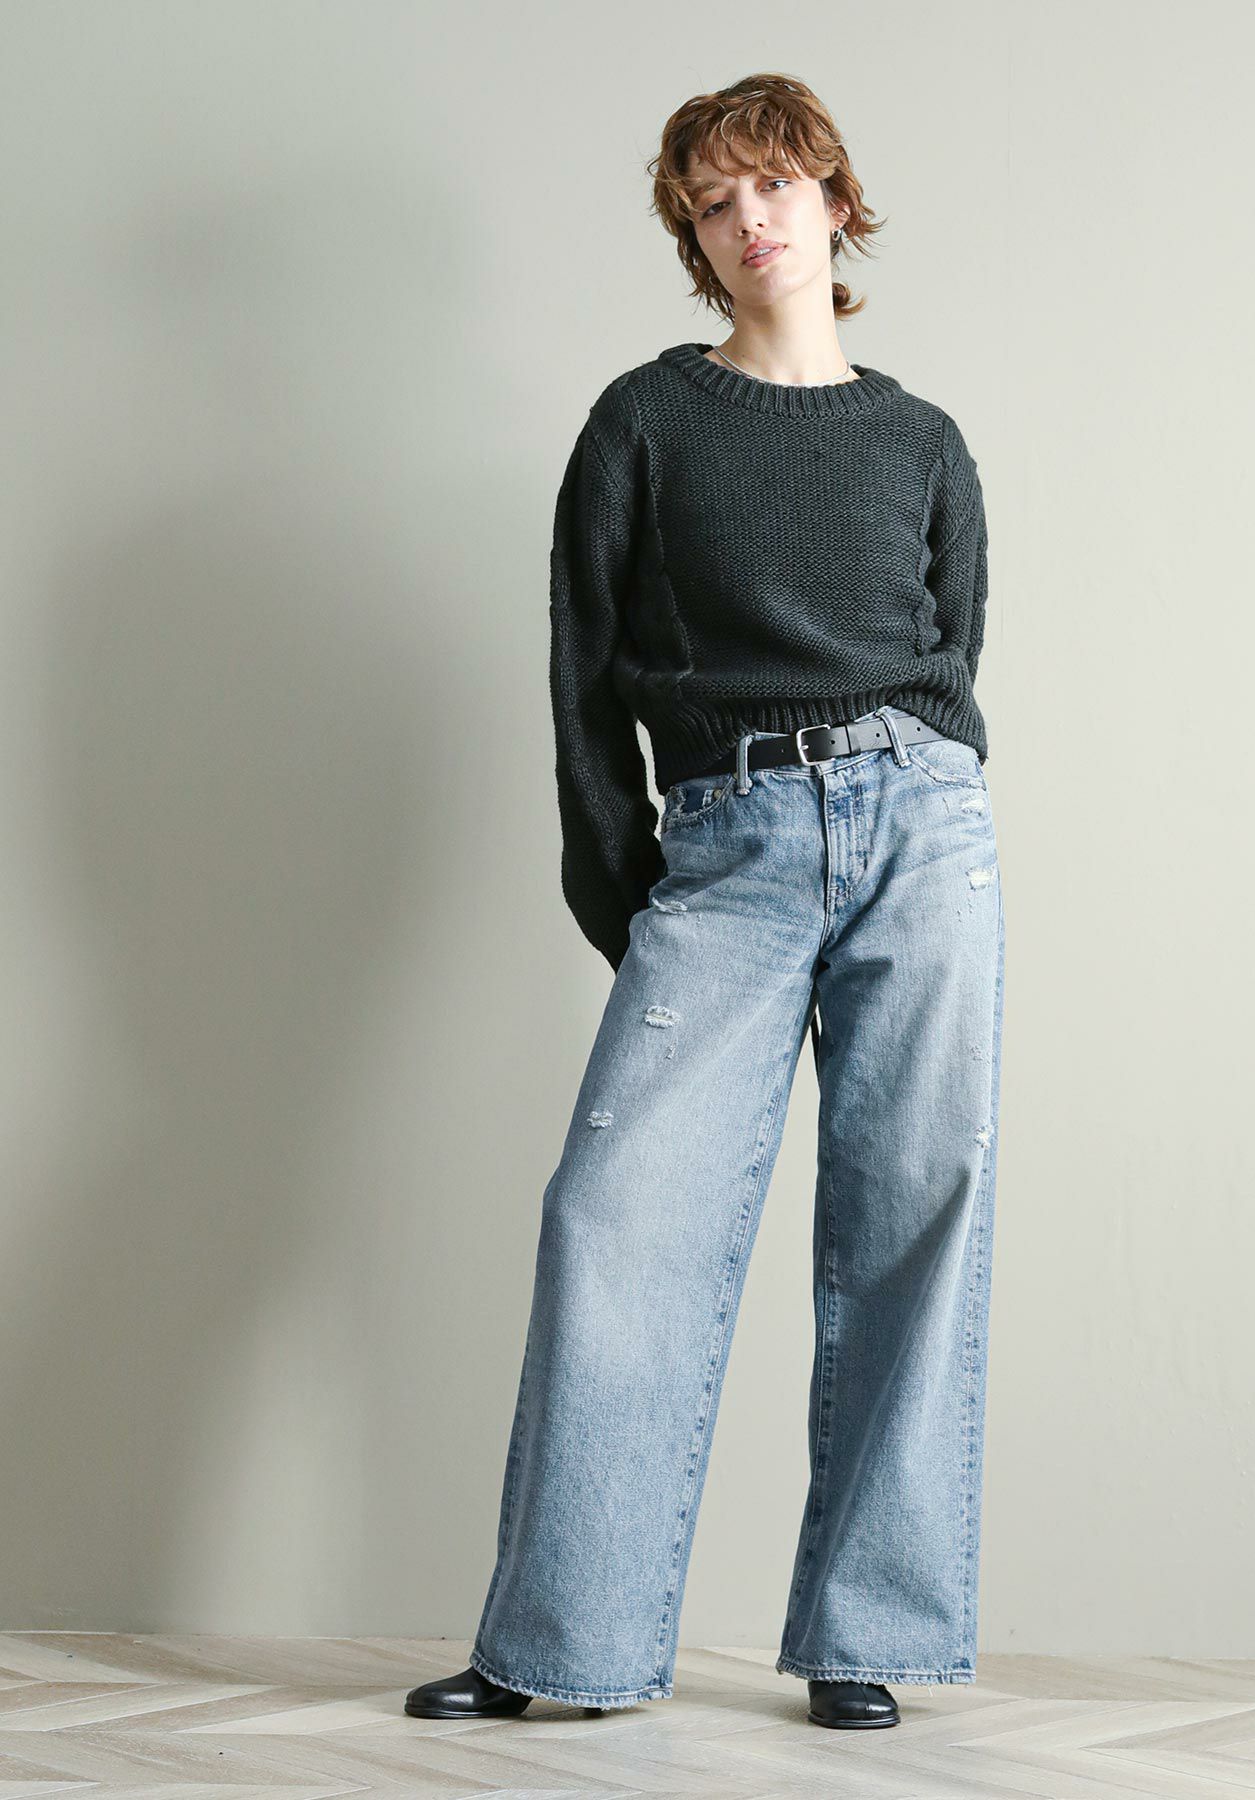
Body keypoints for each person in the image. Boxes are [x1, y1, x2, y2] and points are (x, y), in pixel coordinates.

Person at [406, 71, 1003, 1733]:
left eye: (777, 186)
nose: (752, 221)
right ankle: (560, 1646)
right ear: (693, 234)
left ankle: (865, 1634)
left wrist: (921, 801)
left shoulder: (924, 443)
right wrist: (637, 896)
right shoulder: (644, 423)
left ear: (835, 199)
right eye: (714, 202)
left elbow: (951, 657)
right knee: (615, 1221)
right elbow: (584, 679)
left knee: (917, 1210)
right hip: (727, 848)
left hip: (922, 829)